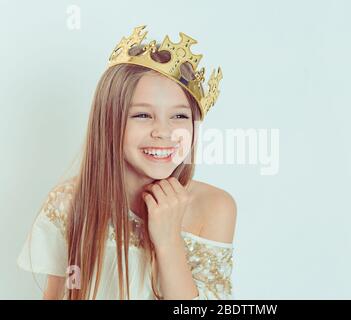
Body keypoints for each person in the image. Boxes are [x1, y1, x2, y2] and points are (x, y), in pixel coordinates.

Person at [17, 25, 237, 300]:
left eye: (179, 116)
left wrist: (168, 242)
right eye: (143, 115)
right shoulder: (69, 202)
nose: (164, 132)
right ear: (110, 121)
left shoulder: (214, 207)